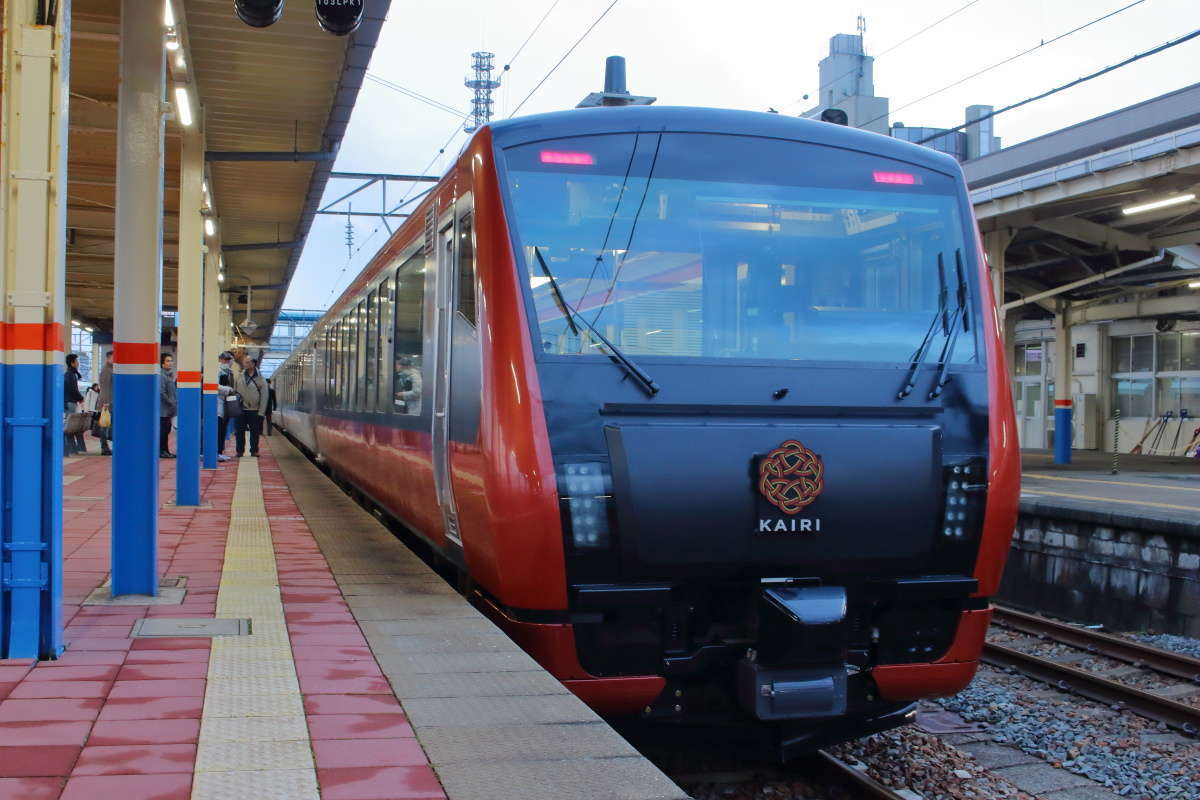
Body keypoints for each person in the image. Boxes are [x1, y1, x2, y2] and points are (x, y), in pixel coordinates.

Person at [235, 354, 267, 457]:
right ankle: (239, 451)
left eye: (248, 362)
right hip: (240, 409)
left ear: (253, 364)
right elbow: (234, 391)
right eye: (245, 362)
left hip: (255, 409)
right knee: (239, 431)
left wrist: (261, 413)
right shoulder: (239, 376)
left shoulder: (261, 378)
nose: (245, 364)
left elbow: (264, 396)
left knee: (255, 431)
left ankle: (254, 450)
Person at [64, 353, 86, 455]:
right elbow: (73, 390)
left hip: (71, 402)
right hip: (70, 403)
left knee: (70, 426)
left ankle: (71, 448)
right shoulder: (70, 375)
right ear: (72, 363)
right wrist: (81, 398)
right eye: (77, 361)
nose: (78, 363)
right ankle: (68, 448)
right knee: (69, 427)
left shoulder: (71, 374)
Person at [159, 353, 177, 458]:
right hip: (163, 409)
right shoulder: (162, 376)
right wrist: (170, 401)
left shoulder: (169, 375)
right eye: (167, 361)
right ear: (162, 364)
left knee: (166, 430)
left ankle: (166, 450)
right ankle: (162, 451)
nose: (170, 363)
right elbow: (161, 392)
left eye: (171, 361)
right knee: (163, 431)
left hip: (169, 409)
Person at [97, 350, 113, 455]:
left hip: (109, 402)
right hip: (106, 402)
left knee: (107, 425)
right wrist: (106, 402)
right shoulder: (106, 370)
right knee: (104, 425)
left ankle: (106, 447)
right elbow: (105, 387)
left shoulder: (111, 369)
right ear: (108, 358)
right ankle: (104, 447)